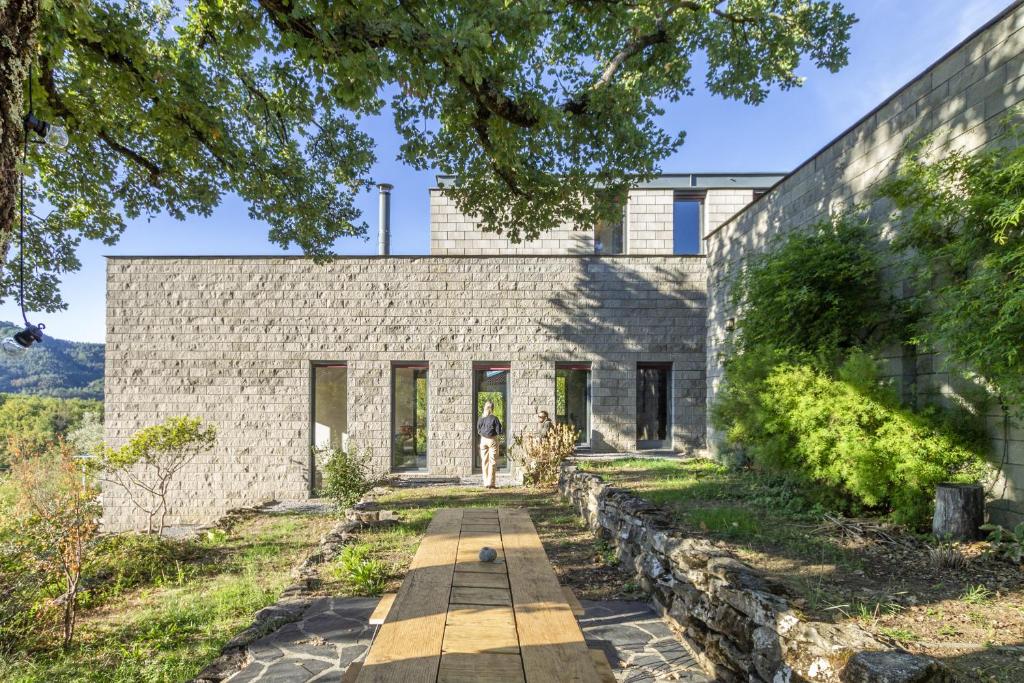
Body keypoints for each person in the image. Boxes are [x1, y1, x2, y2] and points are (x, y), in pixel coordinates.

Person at [477, 400, 503, 488]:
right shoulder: (494, 418)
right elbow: (499, 431)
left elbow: (478, 430)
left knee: (484, 462)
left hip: (483, 440)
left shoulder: (481, 418)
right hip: (492, 440)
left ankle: (485, 482)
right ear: (492, 408)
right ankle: (491, 483)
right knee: (492, 462)